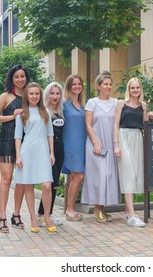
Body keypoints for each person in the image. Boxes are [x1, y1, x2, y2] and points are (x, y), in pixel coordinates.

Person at [0, 64, 28, 233]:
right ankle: (2, 216)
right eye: (16, 76)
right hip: (6, 141)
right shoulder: (6, 96)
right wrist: (11, 117)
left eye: (23, 76)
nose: (20, 79)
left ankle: (16, 214)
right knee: (6, 180)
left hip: (25, 143)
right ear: (12, 78)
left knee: (21, 180)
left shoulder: (30, 96)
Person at [14, 82, 56, 233]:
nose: (34, 96)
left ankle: (46, 217)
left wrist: (52, 152)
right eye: (31, 93)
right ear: (27, 95)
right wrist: (18, 155)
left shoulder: (45, 112)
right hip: (27, 152)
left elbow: (50, 133)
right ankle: (32, 218)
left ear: (40, 95)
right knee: (29, 185)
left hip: (43, 151)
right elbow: (18, 136)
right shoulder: (22, 113)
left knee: (46, 185)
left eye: (37, 93)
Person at [113, 77, 153, 227]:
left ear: (140, 89)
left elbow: (145, 126)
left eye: (137, 87)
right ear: (128, 89)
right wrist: (116, 144)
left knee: (135, 173)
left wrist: (149, 117)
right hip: (124, 138)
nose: (135, 90)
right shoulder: (121, 104)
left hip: (137, 139)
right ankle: (132, 215)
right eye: (132, 88)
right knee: (128, 174)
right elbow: (116, 125)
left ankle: (126, 211)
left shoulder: (143, 105)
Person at [81, 71, 119, 223]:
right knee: (99, 174)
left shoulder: (116, 103)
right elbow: (88, 125)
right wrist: (96, 143)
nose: (108, 87)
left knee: (109, 174)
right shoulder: (92, 102)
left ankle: (102, 209)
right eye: (105, 84)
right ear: (98, 86)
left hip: (111, 142)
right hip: (96, 143)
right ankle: (97, 209)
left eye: (110, 84)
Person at [36, 82, 65, 227]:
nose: (55, 96)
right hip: (48, 151)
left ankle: (48, 214)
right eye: (52, 93)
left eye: (58, 93)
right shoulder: (44, 111)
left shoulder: (61, 111)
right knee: (49, 183)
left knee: (54, 185)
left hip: (60, 150)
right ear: (47, 94)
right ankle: (42, 215)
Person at [62, 75, 87, 221]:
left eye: (79, 84)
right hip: (70, 145)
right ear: (69, 86)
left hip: (83, 144)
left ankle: (69, 208)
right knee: (78, 176)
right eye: (74, 84)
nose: (77, 86)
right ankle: (70, 209)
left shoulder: (83, 105)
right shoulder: (64, 105)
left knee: (75, 178)